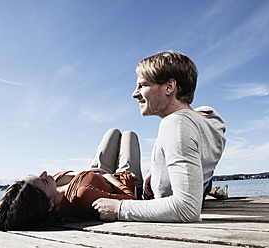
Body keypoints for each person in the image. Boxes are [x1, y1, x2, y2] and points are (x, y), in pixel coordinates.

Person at [92, 51, 226, 222]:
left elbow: (187, 208)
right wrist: (154, 169)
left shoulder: (176, 124)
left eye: (142, 85)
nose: (135, 93)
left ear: (169, 87)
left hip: (138, 197)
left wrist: (119, 208)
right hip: (149, 184)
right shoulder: (211, 118)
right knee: (124, 135)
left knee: (109, 144)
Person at [0, 128, 143, 231]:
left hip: (95, 172)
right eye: (43, 181)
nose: (46, 173)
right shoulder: (81, 197)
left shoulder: (53, 184)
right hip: (123, 180)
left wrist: (93, 173)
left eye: (38, 175)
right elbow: (130, 200)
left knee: (113, 132)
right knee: (129, 135)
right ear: (50, 205)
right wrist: (107, 176)